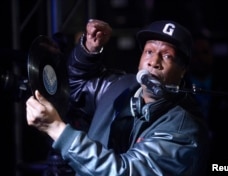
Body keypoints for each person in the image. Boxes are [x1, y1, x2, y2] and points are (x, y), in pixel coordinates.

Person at [26, 19, 210, 176]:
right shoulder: (120, 86)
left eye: (167, 56)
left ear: (183, 70)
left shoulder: (183, 130)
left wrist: (58, 131)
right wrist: (88, 52)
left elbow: (125, 171)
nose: (154, 62)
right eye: (149, 51)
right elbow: (76, 88)